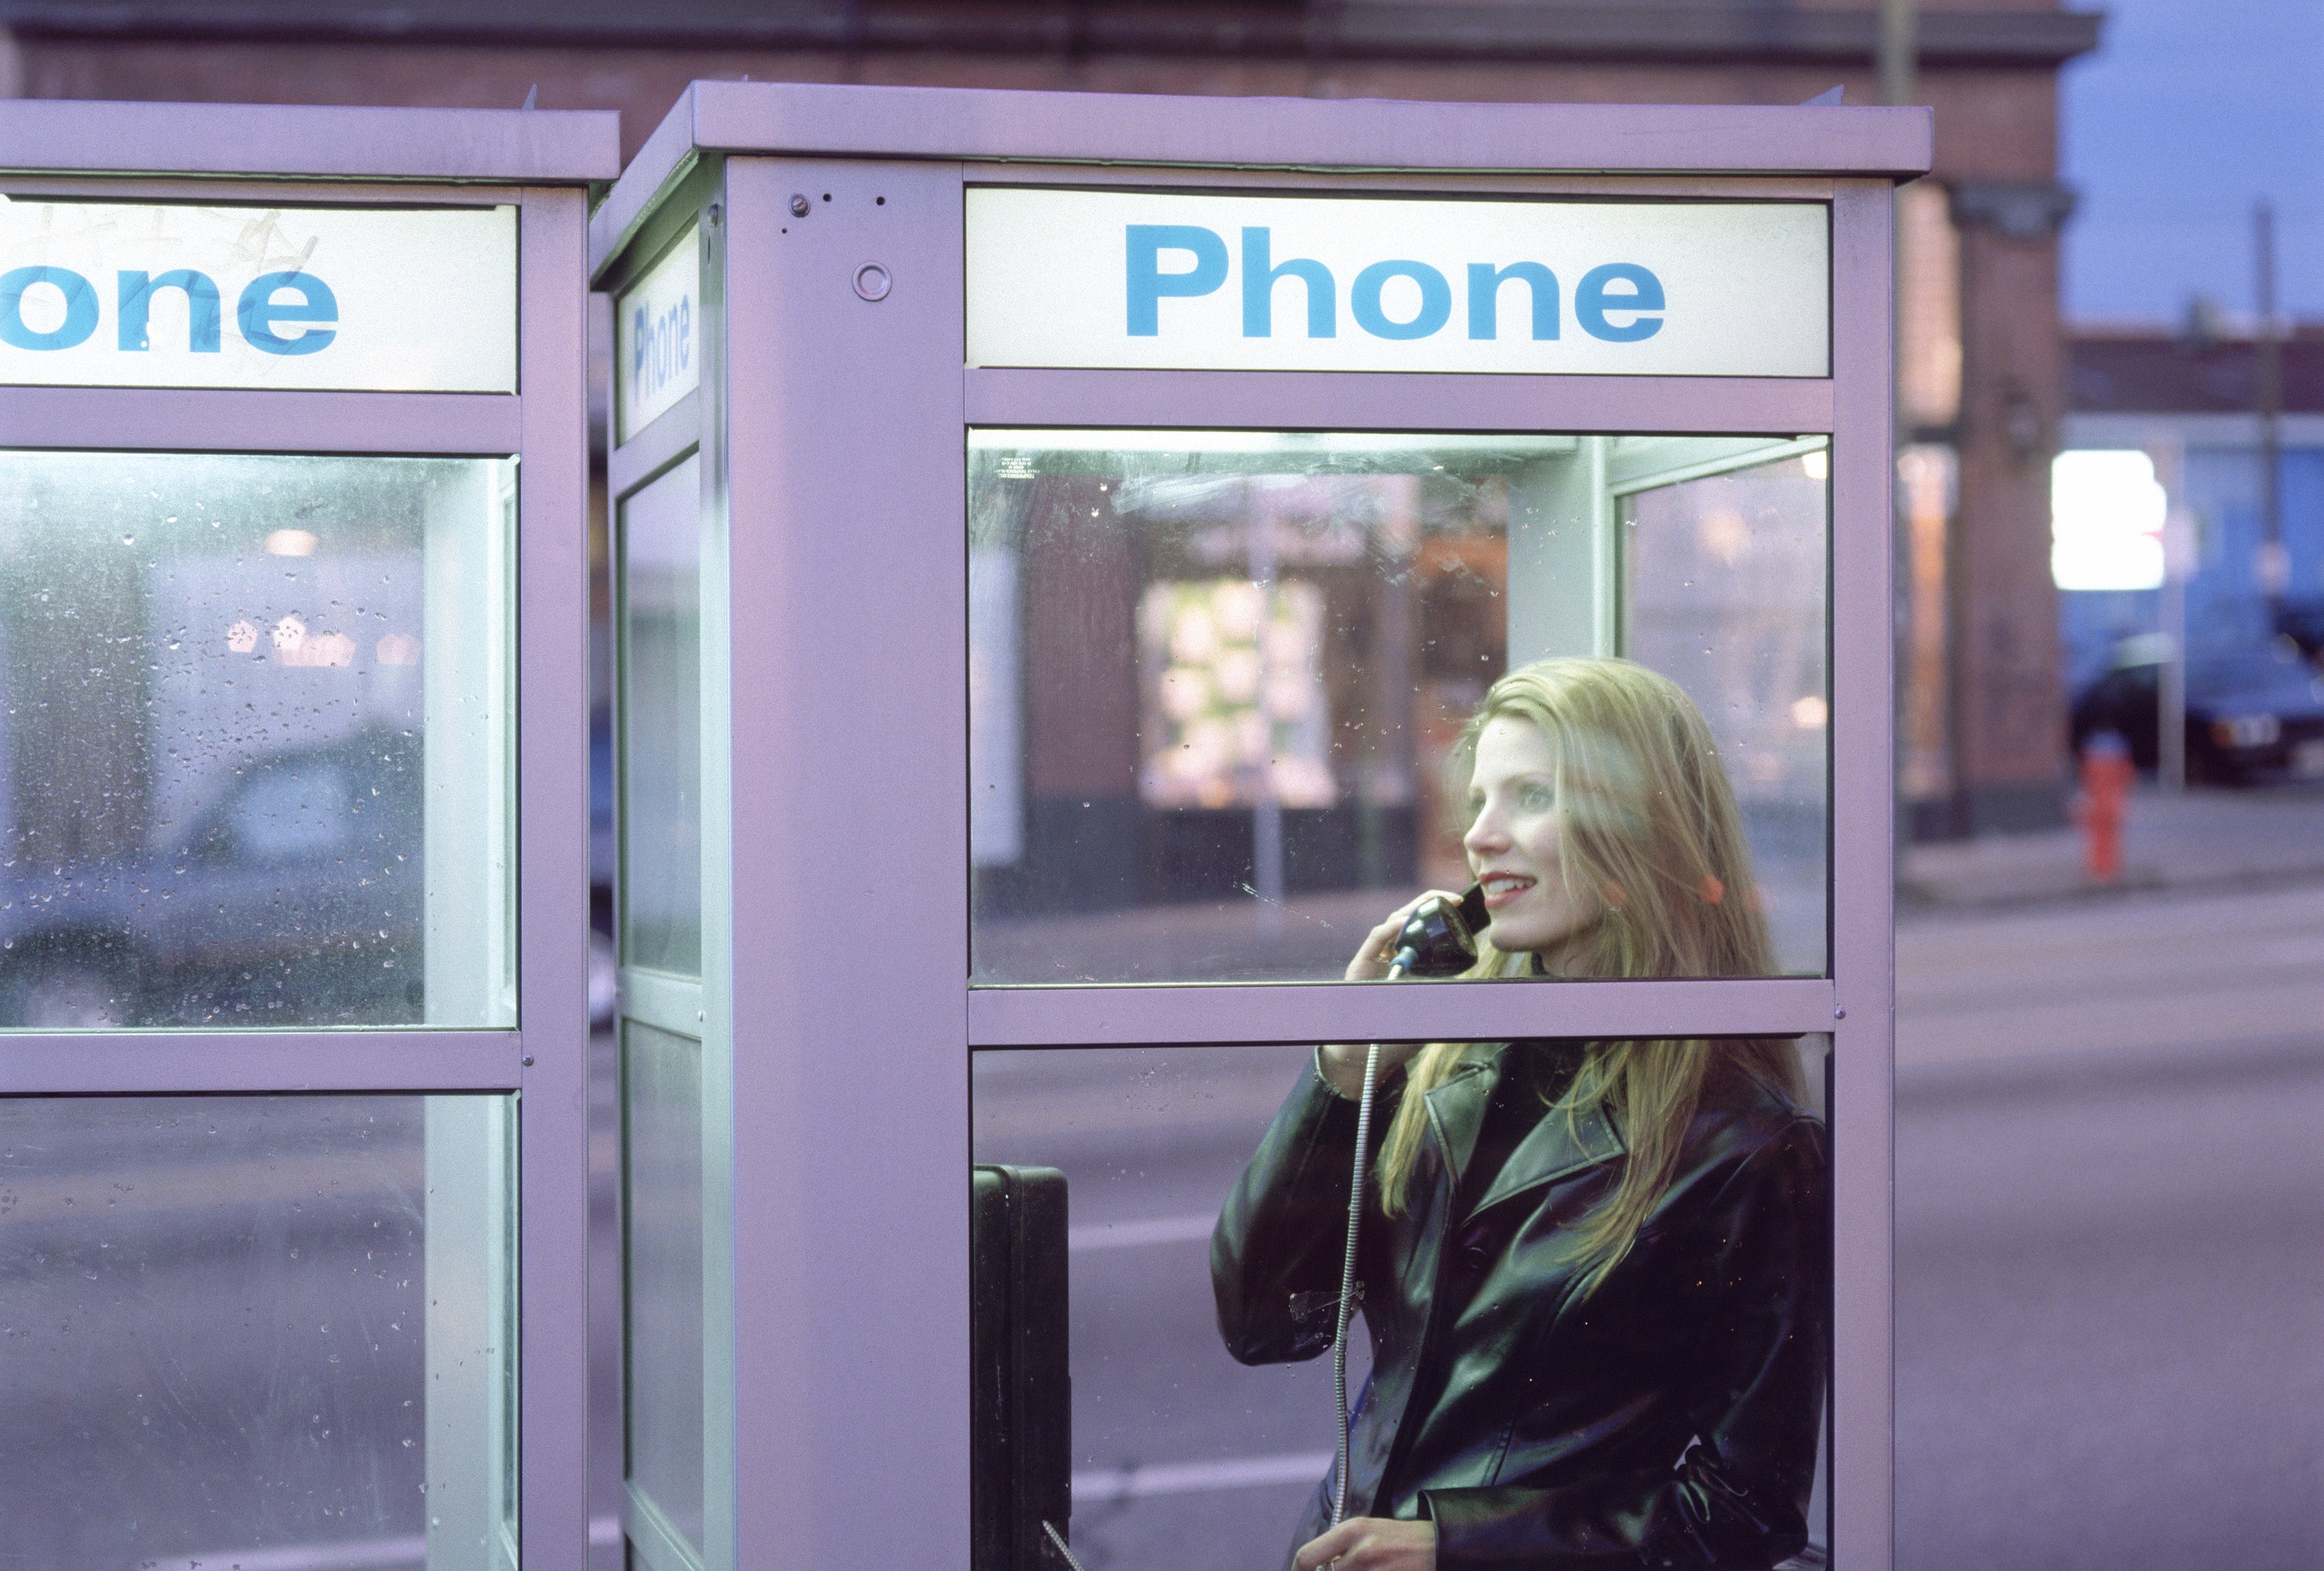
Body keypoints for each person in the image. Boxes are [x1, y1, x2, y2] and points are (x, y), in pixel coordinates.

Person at [1211, 657, 1828, 1571]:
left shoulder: (1739, 1142)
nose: (1480, 838)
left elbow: (1745, 1506)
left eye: (1530, 796)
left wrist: (1459, 1548)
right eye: (1479, 801)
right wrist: (1345, 1070)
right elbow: (1265, 1325)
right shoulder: (1445, 1050)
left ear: (1639, 833)